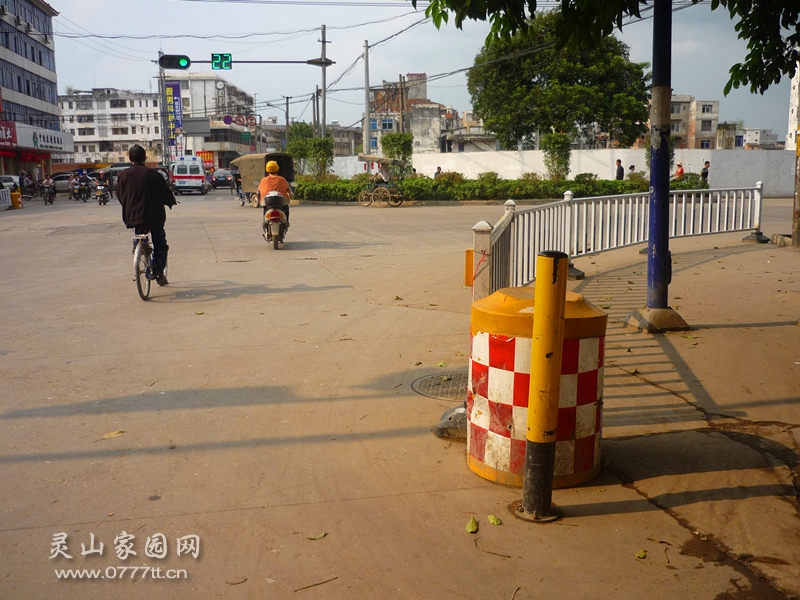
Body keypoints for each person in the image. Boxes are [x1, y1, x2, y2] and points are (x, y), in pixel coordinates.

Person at [116, 145, 176, 286]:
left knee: (139, 231)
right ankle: (158, 272)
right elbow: (165, 193)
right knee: (160, 244)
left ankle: (137, 247)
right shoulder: (154, 175)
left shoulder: (123, 175)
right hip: (154, 216)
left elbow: (120, 196)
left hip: (133, 216)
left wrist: (129, 206)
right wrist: (171, 202)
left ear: (130, 159)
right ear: (145, 158)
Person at [257, 159, 292, 225]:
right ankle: (286, 222)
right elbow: (288, 189)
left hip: (267, 201)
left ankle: (265, 223)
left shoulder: (263, 180)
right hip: (280, 201)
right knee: (286, 207)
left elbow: (259, 191)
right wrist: (290, 194)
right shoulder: (281, 179)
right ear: (277, 169)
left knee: (265, 209)